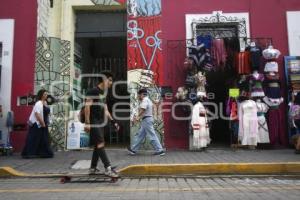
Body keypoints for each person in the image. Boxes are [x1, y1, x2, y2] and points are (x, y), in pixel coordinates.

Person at [84, 71, 119, 177]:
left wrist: (113, 121)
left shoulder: (103, 93)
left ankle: (93, 168)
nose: (111, 83)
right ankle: (108, 168)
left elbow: (105, 110)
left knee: (97, 145)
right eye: (110, 80)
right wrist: (87, 123)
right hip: (93, 121)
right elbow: (87, 106)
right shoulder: (93, 91)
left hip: (99, 121)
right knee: (100, 144)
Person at [127, 88, 165, 156]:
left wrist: (137, 117)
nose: (138, 96)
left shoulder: (145, 100)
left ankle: (160, 150)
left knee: (152, 135)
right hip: (146, 120)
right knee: (140, 135)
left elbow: (143, 109)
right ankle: (133, 150)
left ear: (142, 95)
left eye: (139, 95)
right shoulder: (148, 100)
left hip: (147, 120)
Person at [22, 89, 54, 158]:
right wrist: (42, 123)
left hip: (44, 123)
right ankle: (29, 153)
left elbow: (47, 113)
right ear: (41, 95)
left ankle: (43, 153)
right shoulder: (38, 103)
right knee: (34, 138)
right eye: (44, 94)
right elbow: (37, 114)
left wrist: (46, 122)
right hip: (37, 124)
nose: (46, 95)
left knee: (43, 139)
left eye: (46, 94)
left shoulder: (45, 103)